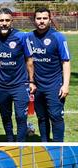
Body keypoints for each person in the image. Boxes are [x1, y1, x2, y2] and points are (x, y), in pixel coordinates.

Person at [0, 8, 36, 142]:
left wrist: (31, 81)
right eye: (1, 20)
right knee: (5, 116)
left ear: (12, 21)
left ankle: (20, 142)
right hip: (1, 86)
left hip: (20, 85)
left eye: (7, 20)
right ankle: (9, 140)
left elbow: (29, 61)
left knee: (21, 117)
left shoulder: (21, 37)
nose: (4, 23)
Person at [28, 7, 71, 142]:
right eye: (38, 18)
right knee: (41, 117)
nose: (41, 21)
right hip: (37, 86)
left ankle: (59, 144)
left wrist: (65, 85)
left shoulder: (58, 37)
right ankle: (45, 142)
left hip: (54, 85)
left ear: (50, 19)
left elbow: (66, 62)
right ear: (34, 20)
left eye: (44, 18)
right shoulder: (29, 37)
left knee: (56, 116)